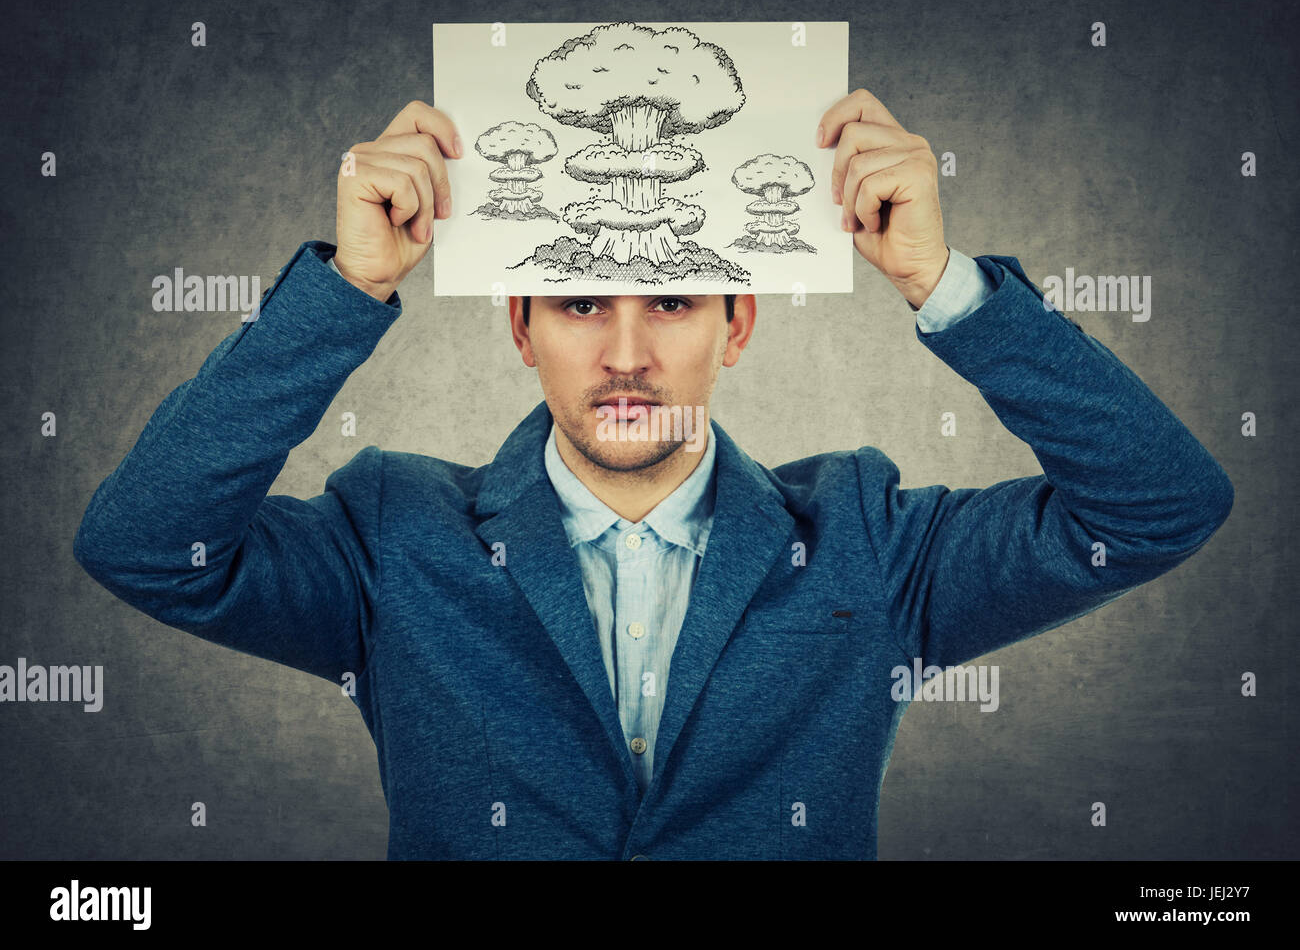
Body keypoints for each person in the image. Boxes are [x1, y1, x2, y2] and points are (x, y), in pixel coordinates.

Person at [73, 91, 1233, 860]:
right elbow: (142, 543)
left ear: (737, 323)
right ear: (520, 327)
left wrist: (943, 281)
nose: (626, 353)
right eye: (581, 303)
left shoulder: (866, 541)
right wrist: (347, 289)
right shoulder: (393, 537)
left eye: (672, 299)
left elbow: (1155, 506)